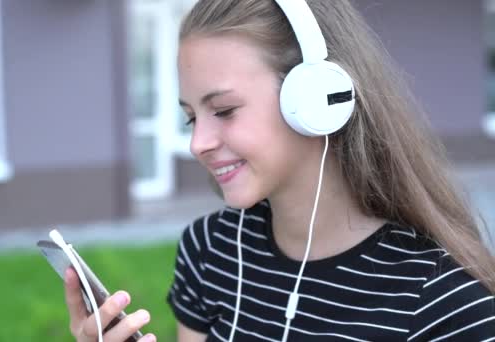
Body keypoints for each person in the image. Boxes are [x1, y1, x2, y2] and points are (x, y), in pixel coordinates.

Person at [63, 0, 495, 340]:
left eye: (224, 110)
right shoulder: (209, 251)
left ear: (316, 100)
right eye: (191, 118)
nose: (198, 144)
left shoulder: (443, 301)